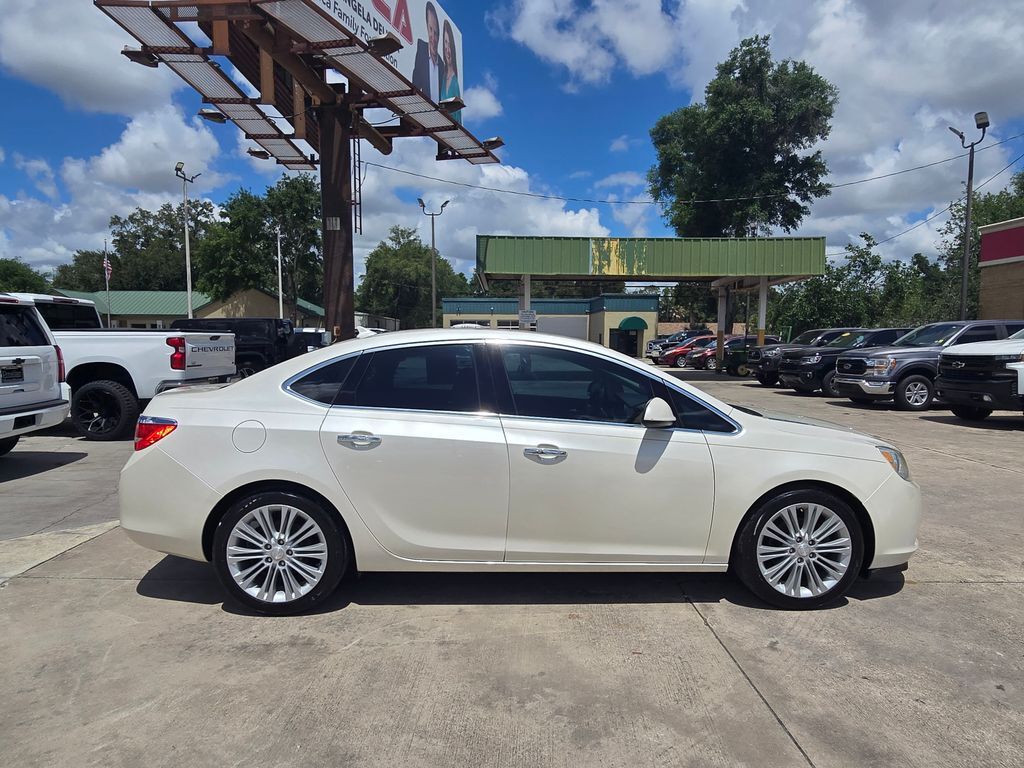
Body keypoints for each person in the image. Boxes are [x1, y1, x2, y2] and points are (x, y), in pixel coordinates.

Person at [412, 2, 443, 103]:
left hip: (438, 116)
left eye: (436, 33)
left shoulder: (442, 65)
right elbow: (414, 87)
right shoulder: (421, 51)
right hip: (423, 111)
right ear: (426, 28)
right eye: (430, 29)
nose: (433, 37)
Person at [440, 19, 461, 123]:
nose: (447, 49)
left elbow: (458, 117)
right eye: (445, 43)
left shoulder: (455, 82)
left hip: (451, 130)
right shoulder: (443, 77)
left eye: (449, 44)